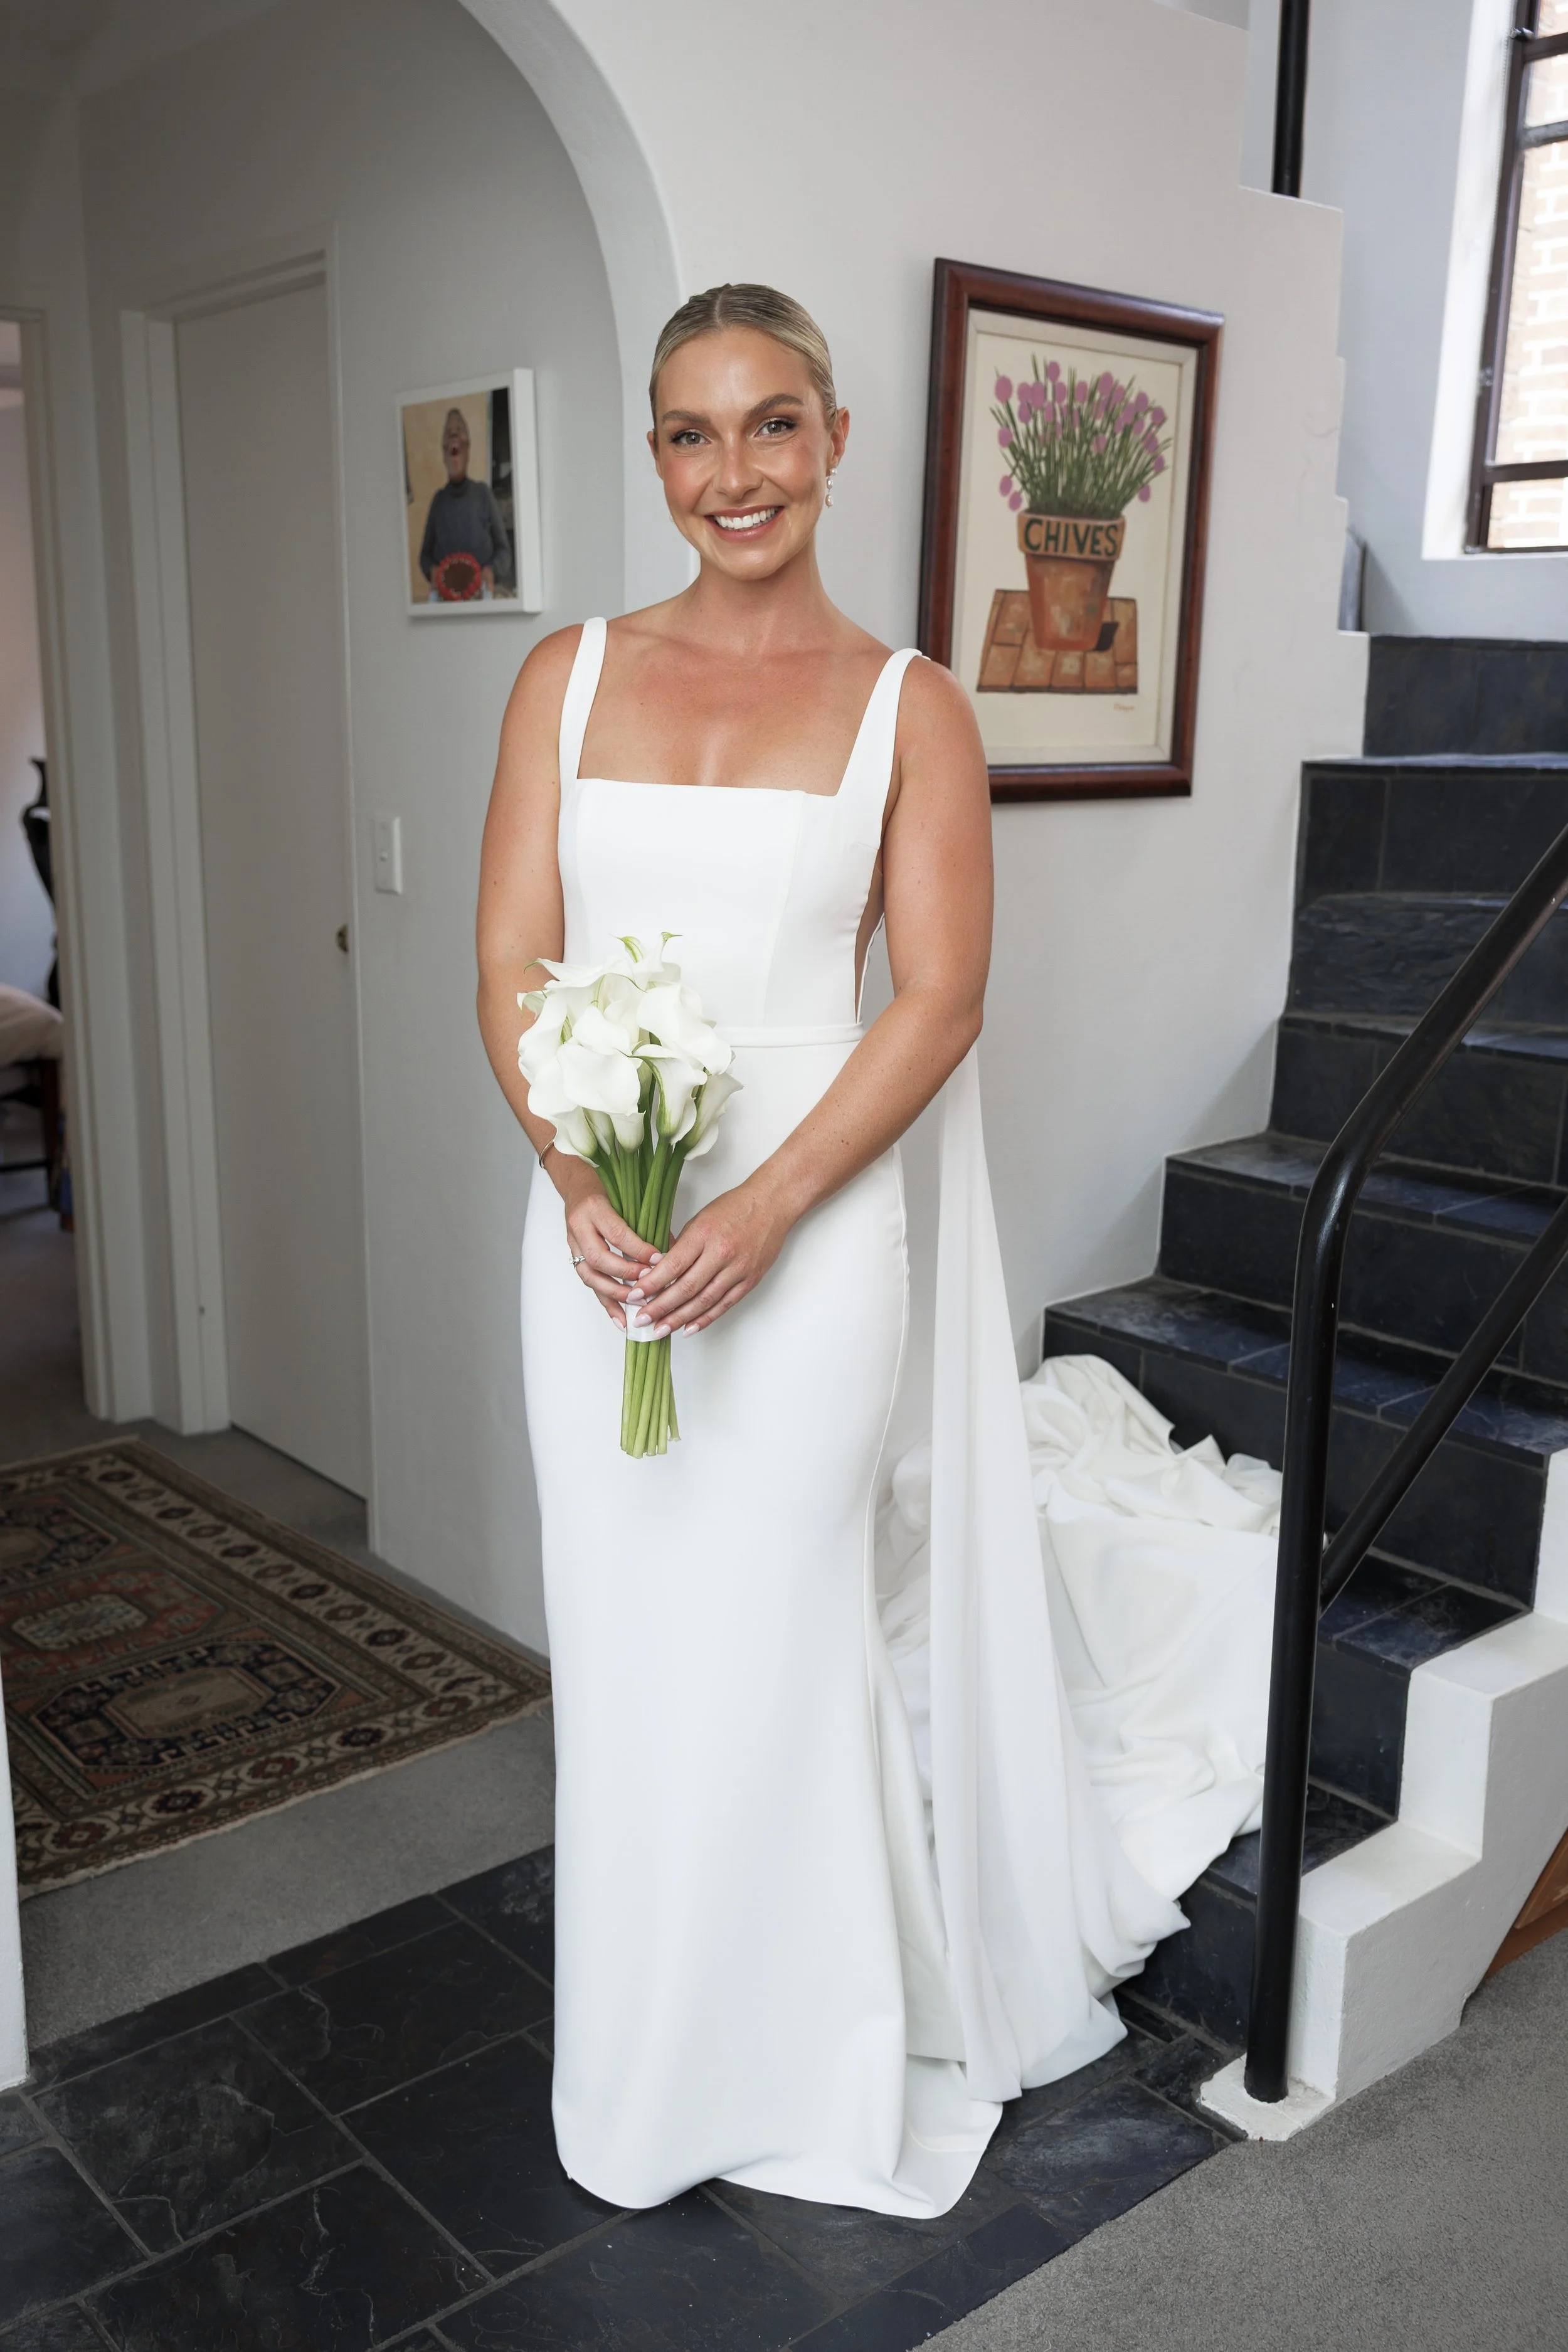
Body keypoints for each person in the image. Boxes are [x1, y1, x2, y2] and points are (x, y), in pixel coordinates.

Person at [475, 284, 1182, 2218]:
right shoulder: (564, 676)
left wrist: (761, 1205)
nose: (733, 472)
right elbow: (510, 961)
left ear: (835, 440)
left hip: (807, 1234)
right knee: (627, 1644)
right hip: (601, 1244)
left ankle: (803, 2054)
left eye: (771, 425)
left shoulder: (907, 704)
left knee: (776, 1631)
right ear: (653, 456)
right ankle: (644, 2059)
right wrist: (575, 1180)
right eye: (693, 434)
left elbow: (937, 997)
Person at [420, 406, 511, 598]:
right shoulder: (439, 500)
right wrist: (433, 572)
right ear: (444, 451)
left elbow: (504, 551)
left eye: (459, 430)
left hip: (481, 594)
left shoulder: (483, 494)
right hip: (445, 600)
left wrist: (491, 572)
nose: (453, 434)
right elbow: (425, 556)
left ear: (467, 447)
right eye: (448, 432)